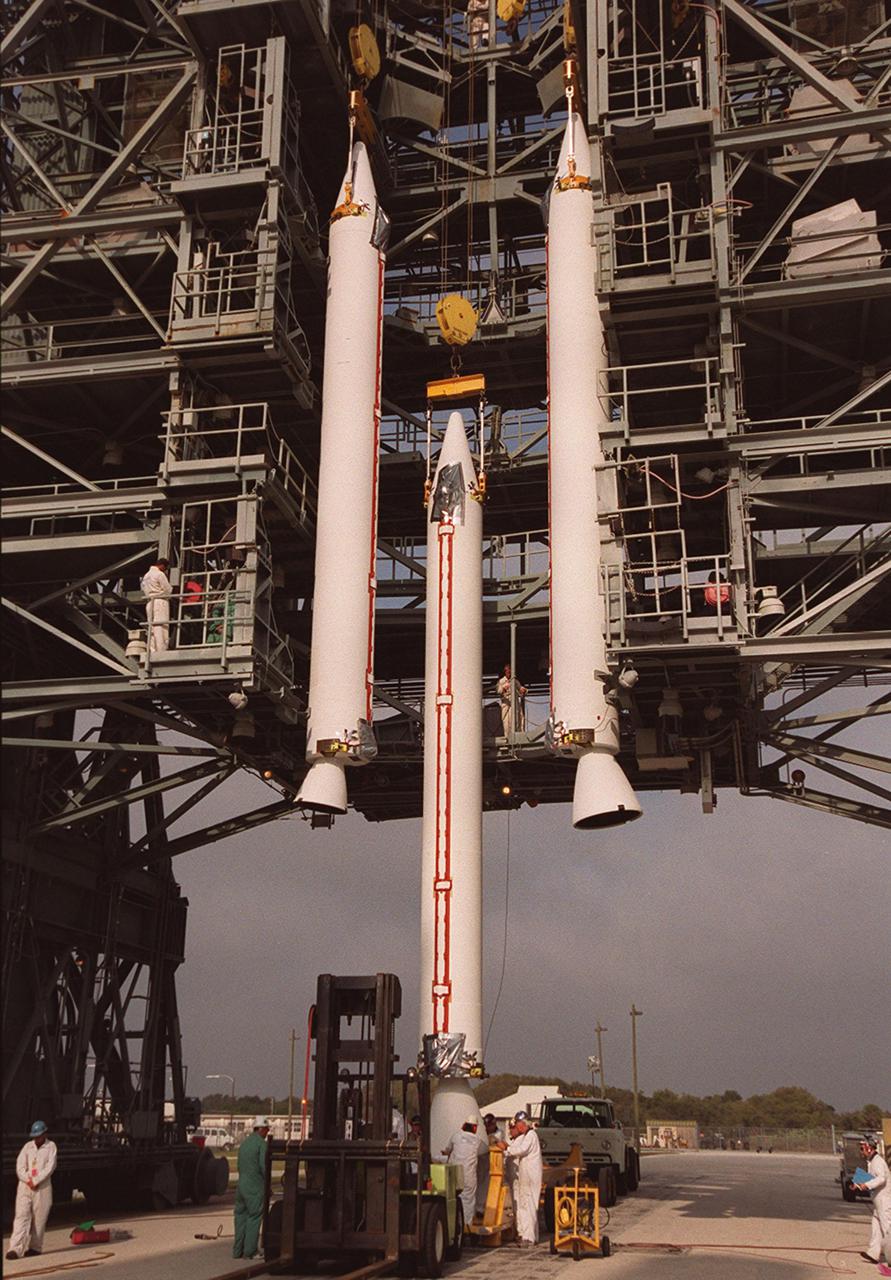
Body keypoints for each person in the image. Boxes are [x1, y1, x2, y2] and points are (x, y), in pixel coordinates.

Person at [7, 1121, 57, 1260]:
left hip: (42, 1187)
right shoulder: (27, 1147)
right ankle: (15, 1248)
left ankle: (35, 1247)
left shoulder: (51, 1147)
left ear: (44, 1134)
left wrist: (36, 1181)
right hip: (25, 1186)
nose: (36, 1139)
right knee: (21, 1217)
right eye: (34, 1136)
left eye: (39, 1136)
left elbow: (50, 1167)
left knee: (39, 1218)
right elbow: (20, 1166)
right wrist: (28, 1180)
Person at [498, 1111, 542, 1247]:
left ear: (523, 1124)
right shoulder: (527, 1136)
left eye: (518, 1124)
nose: (517, 1128)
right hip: (527, 1176)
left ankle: (529, 1238)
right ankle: (529, 1235)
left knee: (528, 1205)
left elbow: (521, 1150)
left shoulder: (531, 1136)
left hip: (530, 1177)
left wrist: (506, 1149)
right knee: (526, 1205)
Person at [233, 1116, 270, 1260]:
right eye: (266, 1129)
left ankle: (237, 1251)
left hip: (241, 1186)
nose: (267, 1132)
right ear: (260, 1129)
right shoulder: (262, 1145)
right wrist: (267, 1186)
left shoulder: (244, 1144)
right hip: (255, 1187)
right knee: (254, 1216)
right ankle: (250, 1251)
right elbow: (263, 1167)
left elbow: (239, 1165)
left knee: (240, 1216)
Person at [443, 1115, 486, 1230]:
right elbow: (485, 1152)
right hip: (468, 1175)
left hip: (454, 1173)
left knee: (452, 1199)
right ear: (475, 1128)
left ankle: (452, 1226)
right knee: (468, 1201)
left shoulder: (455, 1136)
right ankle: (466, 1227)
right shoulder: (478, 1141)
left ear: (464, 1125)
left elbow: (447, 1150)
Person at [856, 1135, 891, 1265]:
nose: (861, 1151)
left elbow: (881, 1178)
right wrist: (858, 1184)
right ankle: (873, 1253)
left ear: (869, 1148)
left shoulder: (878, 1162)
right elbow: (871, 1178)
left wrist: (867, 1185)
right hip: (877, 1201)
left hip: (884, 1200)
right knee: (876, 1227)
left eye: (862, 1148)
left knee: (887, 1227)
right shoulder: (872, 1162)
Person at [140, 557, 172, 653]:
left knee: (152, 628)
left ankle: (152, 649)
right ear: (162, 565)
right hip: (160, 602)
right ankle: (161, 650)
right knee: (161, 627)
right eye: (165, 568)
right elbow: (168, 590)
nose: (165, 571)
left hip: (149, 602)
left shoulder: (146, 576)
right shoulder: (159, 574)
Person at [497, 664, 527, 736]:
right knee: (507, 724)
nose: (509, 672)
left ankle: (517, 739)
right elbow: (498, 691)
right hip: (507, 705)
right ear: (505, 671)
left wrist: (523, 690)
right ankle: (508, 740)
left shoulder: (515, 681)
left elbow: (521, 689)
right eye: (508, 671)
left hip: (515, 705)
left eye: (510, 671)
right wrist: (503, 688)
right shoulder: (501, 681)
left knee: (517, 722)